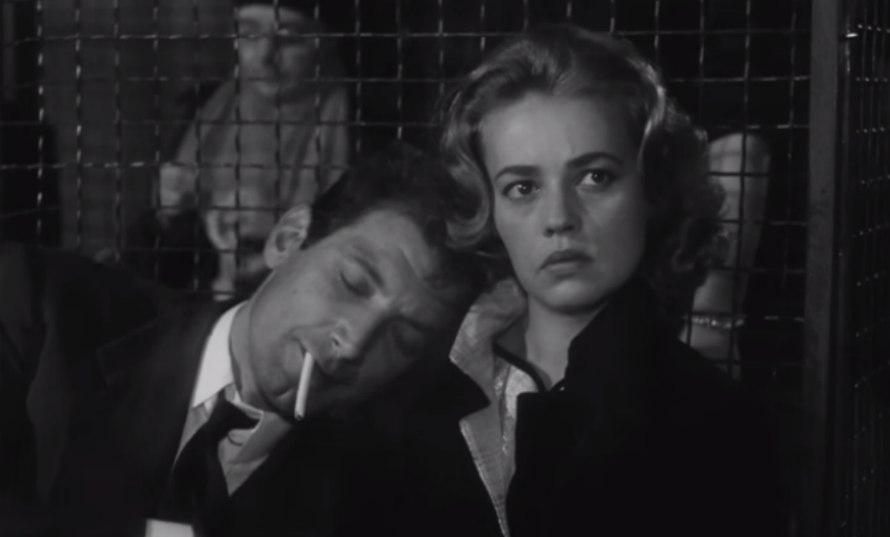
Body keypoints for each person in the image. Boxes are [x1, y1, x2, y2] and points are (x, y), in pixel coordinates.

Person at [385, 25, 789, 537]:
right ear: (487, 209)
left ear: (650, 188)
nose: (559, 217)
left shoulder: (719, 423)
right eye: (523, 187)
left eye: (594, 177)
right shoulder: (413, 393)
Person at [0, 153, 485, 536]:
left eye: (402, 338)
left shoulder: (376, 500)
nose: (355, 342)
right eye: (353, 283)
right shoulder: (35, 306)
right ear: (288, 239)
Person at [120, 0, 352, 298]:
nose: (265, 56)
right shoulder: (203, 113)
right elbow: (151, 274)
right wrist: (167, 216)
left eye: (290, 38)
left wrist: (283, 236)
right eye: (249, 34)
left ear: (327, 43)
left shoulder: (362, 125)